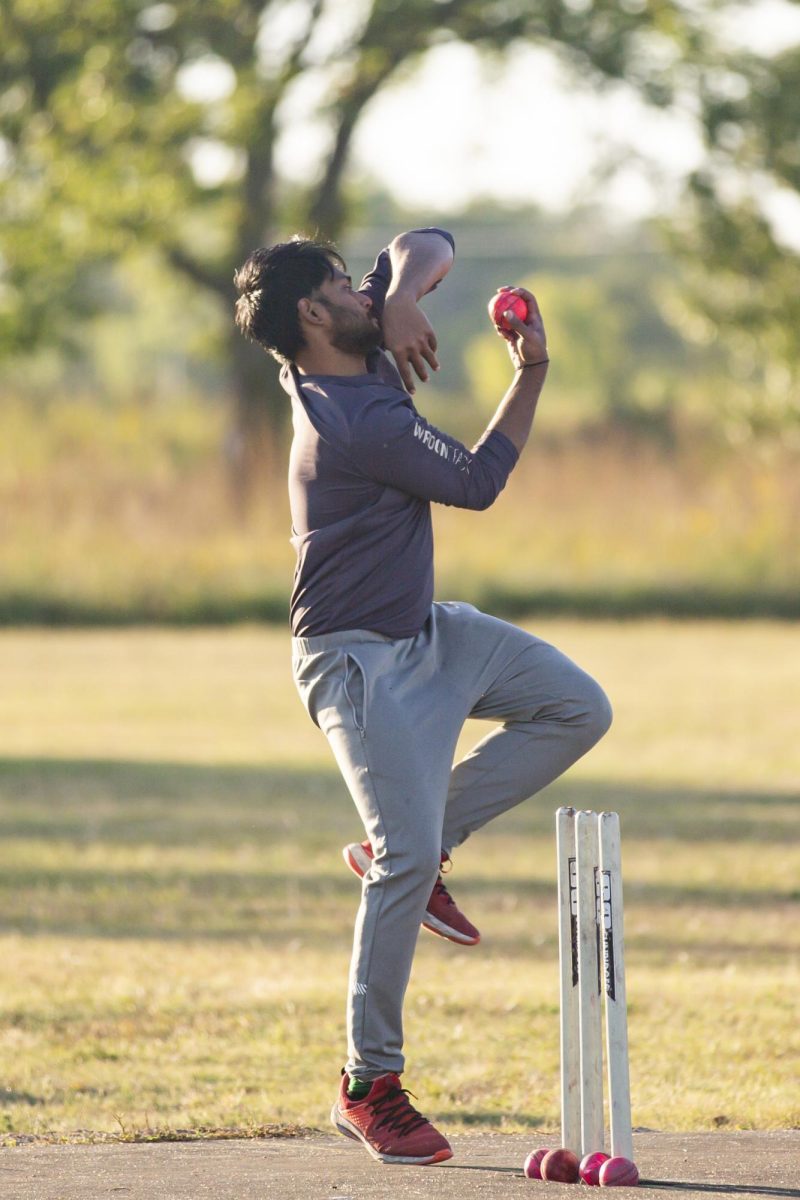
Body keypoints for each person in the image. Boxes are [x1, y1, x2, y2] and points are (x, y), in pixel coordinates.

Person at [233, 227, 612, 1166]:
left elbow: (423, 241)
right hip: (356, 662)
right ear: (315, 315)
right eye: (345, 287)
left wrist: (400, 293)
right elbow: (479, 485)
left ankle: (417, 839)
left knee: (577, 707)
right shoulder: (359, 420)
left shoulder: (346, 341)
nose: (362, 291)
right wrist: (533, 369)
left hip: (426, 630)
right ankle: (370, 1085)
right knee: (404, 863)